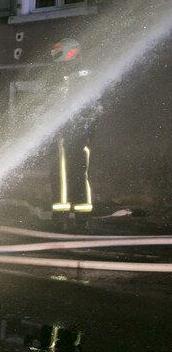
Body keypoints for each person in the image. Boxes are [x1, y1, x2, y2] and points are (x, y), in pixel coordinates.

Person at [48, 38, 97, 228]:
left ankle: (62, 215)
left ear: (69, 52)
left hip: (71, 131)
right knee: (76, 172)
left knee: (61, 172)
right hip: (77, 131)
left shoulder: (75, 73)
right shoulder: (78, 71)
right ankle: (81, 215)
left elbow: (74, 103)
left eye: (57, 53)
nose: (55, 58)